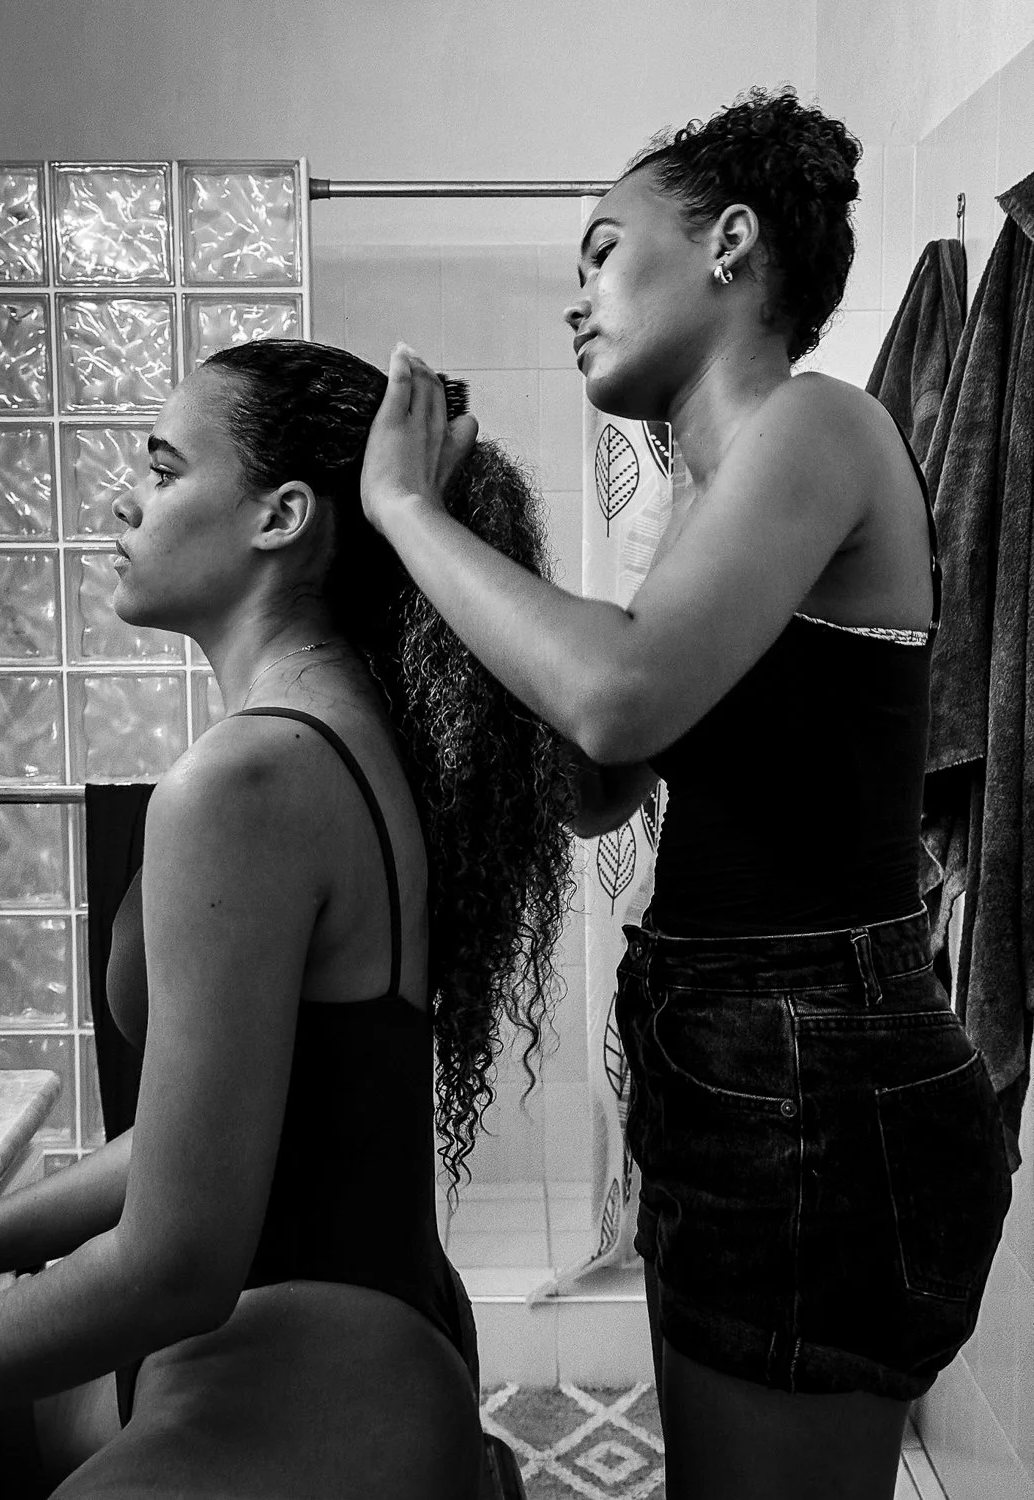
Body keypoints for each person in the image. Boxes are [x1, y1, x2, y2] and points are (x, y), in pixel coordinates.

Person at [359, 87, 1013, 1500]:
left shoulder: (817, 428)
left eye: (599, 251)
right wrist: (483, 548)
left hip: (812, 1070)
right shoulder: (708, 505)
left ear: (728, 243)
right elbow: (598, 786)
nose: (573, 299)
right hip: (729, 1056)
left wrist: (406, 513)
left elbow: (618, 696)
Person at [0, 338, 573, 1499]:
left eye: (164, 469)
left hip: (311, 1377)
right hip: (376, 1328)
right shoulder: (338, 735)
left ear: (280, 516)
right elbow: (207, 1138)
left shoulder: (246, 781)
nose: (125, 496)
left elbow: (175, 1270)